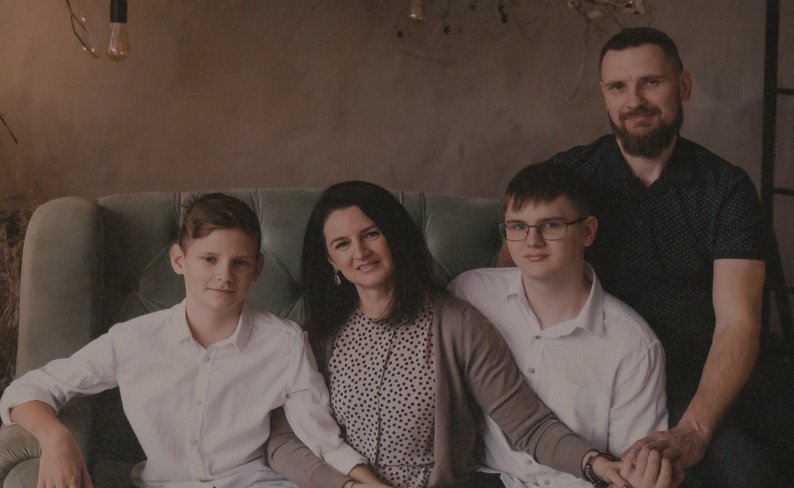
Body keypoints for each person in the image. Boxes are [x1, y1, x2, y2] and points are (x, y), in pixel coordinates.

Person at [499, 27, 773, 486]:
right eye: (618, 87)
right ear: (604, 96)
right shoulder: (568, 175)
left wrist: (695, 430)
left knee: (744, 471)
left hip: (694, 379)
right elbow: (509, 278)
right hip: (591, 371)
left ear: (684, 85)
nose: (634, 101)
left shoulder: (725, 188)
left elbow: (738, 323)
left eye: (651, 82)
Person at [265, 180, 644, 488]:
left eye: (371, 234)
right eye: (342, 244)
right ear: (330, 259)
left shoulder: (456, 324)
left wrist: (595, 464)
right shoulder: (320, 334)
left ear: (394, 236)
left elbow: (529, 425)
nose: (360, 252)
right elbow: (283, 441)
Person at [0, 193, 385, 488]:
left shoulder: (284, 343)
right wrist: (55, 436)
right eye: (209, 259)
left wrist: (369, 483)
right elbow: (27, 389)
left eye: (240, 262)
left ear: (257, 268)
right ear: (179, 260)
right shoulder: (134, 340)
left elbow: (320, 437)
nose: (225, 275)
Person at [450, 161, 671, 488]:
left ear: (588, 232)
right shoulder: (470, 293)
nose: (532, 241)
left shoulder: (633, 345)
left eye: (551, 225)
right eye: (518, 226)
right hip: (482, 480)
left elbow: (631, 471)